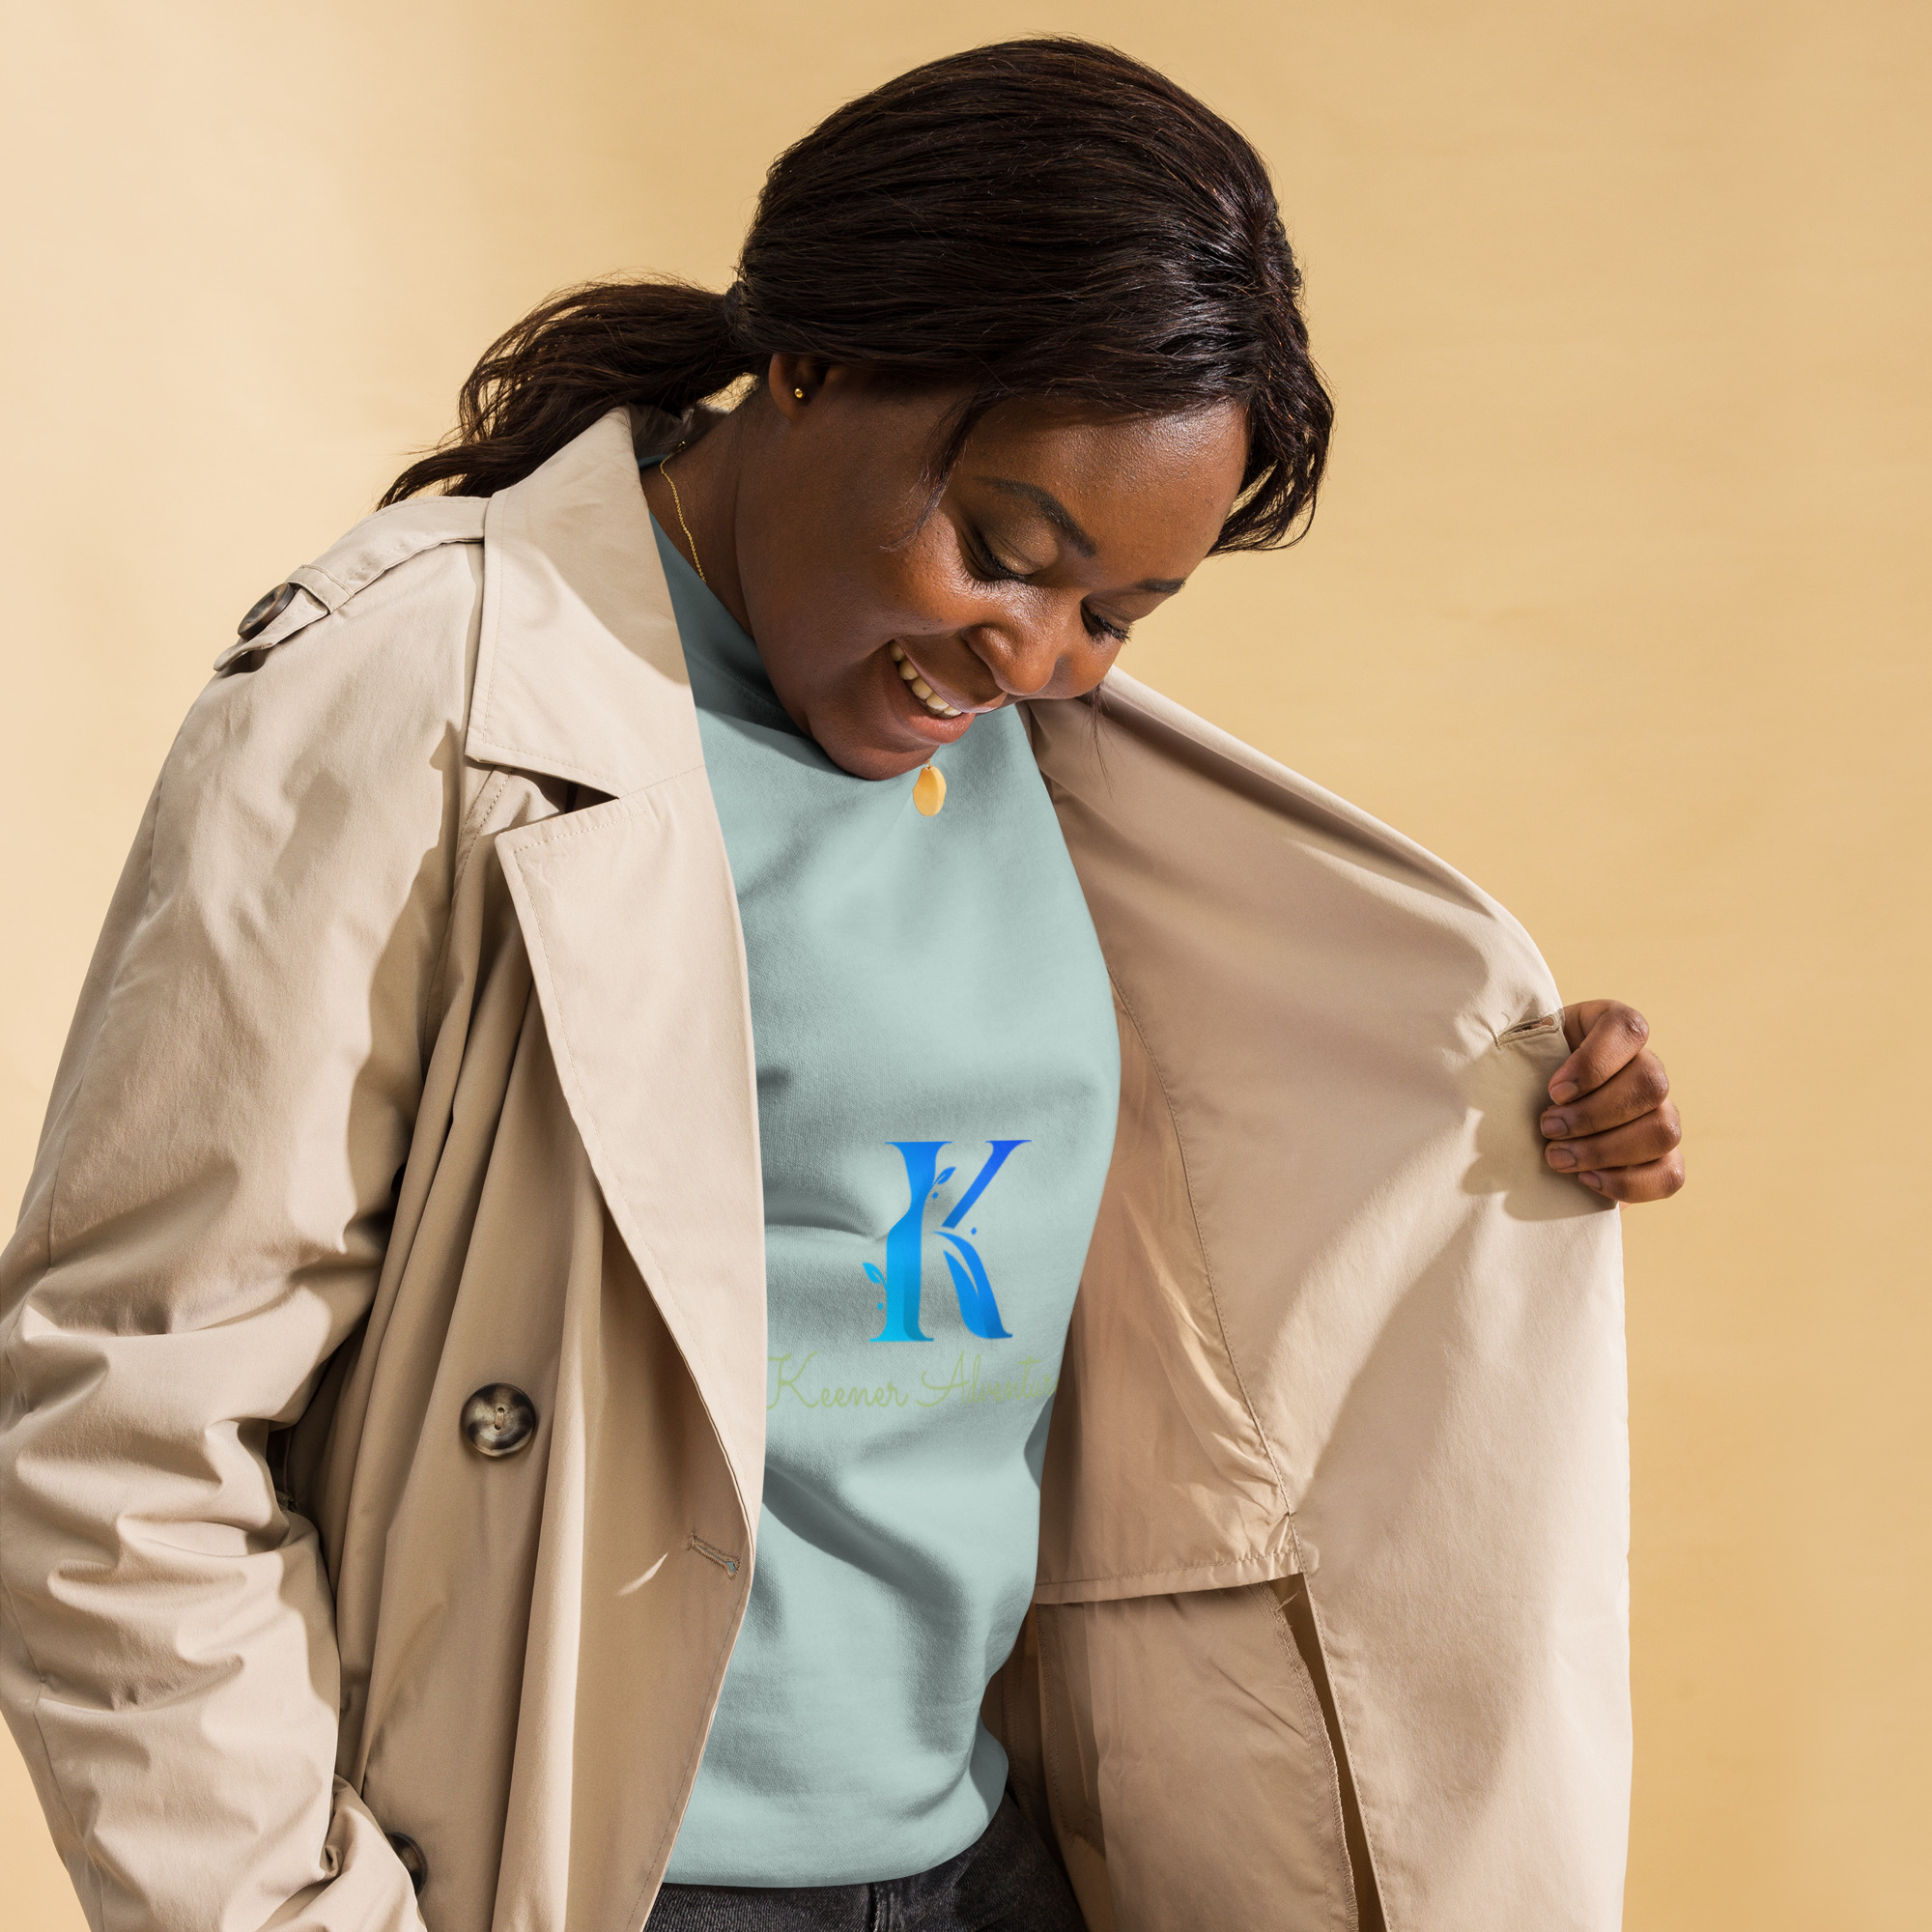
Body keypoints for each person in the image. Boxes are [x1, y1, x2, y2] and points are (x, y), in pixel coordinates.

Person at [0, 37, 1682, 1932]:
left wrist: (1498, 1111)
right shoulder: (417, 698)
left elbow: (1196, 1223)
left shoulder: (1045, 762)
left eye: (1118, 614)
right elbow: (120, 1425)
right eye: (1007, 550)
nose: (1035, 653)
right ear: (811, 363)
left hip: (991, 1855)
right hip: (606, 1878)